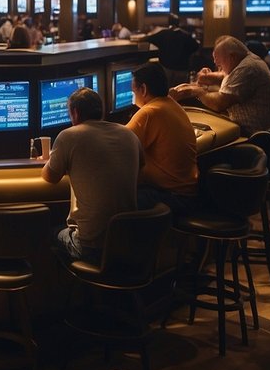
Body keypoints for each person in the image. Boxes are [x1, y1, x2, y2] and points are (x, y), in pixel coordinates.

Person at [40, 87, 141, 262]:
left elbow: (50, 177)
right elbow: (141, 169)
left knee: (47, 233)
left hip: (91, 247)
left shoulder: (68, 136)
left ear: (75, 113)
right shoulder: (129, 134)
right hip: (128, 243)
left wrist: (52, 159)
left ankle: (68, 289)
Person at [170, 35, 270, 136]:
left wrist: (197, 92)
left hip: (262, 138)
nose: (216, 65)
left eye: (219, 63)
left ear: (232, 57)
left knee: (207, 150)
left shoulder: (247, 68)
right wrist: (207, 78)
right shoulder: (248, 61)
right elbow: (225, 75)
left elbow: (219, 103)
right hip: (258, 133)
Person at [126, 63, 198, 213]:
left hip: (171, 198)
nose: (133, 96)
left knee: (114, 200)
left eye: (133, 91)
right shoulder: (172, 105)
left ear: (143, 89)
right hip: (188, 195)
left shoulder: (149, 112)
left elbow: (118, 148)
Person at [145, 14, 198, 86]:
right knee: (181, 92)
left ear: (168, 23)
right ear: (178, 23)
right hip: (182, 69)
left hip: (166, 68)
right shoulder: (186, 35)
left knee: (166, 91)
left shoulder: (163, 34)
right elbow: (196, 47)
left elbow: (148, 38)